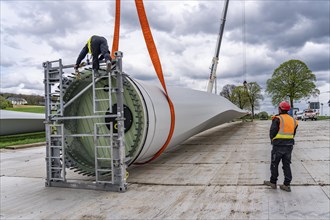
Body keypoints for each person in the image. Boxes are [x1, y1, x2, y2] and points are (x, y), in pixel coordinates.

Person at [264, 101, 298, 192]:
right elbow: (293, 134)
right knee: (286, 165)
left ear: (280, 108)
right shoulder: (294, 120)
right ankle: (286, 185)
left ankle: (273, 182)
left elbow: (272, 133)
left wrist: (273, 141)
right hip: (289, 146)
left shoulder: (277, 119)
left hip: (278, 146)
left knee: (274, 164)